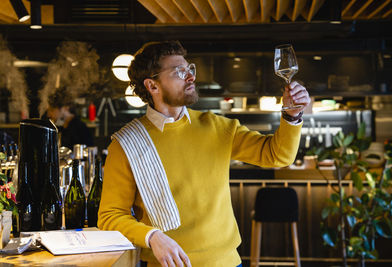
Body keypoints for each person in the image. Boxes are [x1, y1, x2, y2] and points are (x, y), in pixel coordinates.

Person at [98, 41, 311, 267]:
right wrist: (152, 236)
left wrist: (292, 115)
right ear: (152, 85)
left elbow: (276, 155)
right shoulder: (126, 143)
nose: (190, 77)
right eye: (179, 72)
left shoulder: (216, 127)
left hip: (228, 263)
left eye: (190, 69)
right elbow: (110, 216)